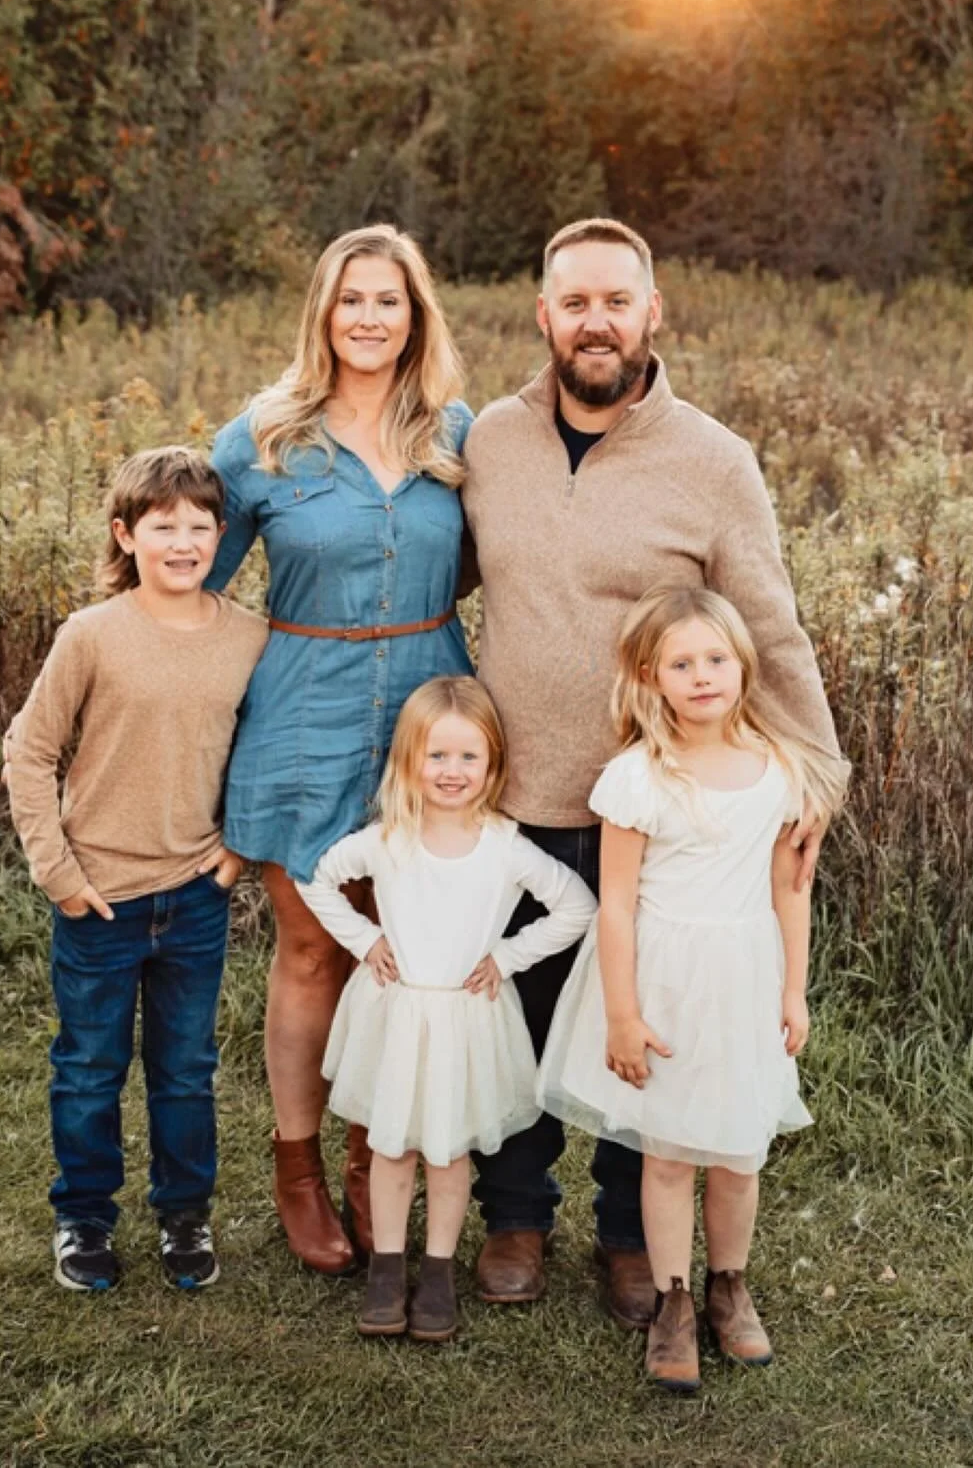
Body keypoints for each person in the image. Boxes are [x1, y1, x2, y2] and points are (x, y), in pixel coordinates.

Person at [461, 216, 846, 1329]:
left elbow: (769, 632)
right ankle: (516, 1213)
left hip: (658, 807)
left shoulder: (716, 462)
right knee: (523, 1015)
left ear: (652, 313)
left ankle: (635, 1237)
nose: (595, 322)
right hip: (511, 791)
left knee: (652, 1021)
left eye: (615, 302)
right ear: (542, 314)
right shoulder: (490, 439)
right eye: (573, 301)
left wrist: (817, 774)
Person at [206, 225, 473, 1274]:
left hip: (426, 719)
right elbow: (194, 583)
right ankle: (299, 1172)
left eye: (389, 301)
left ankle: (380, 1158)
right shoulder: (263, 438)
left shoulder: (453, 434)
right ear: (323, 311)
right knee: (316, 949)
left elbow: (501, 563)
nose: (369, 317)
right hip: (302, 715)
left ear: (417, 317)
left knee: (405, 951)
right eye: (350, 299)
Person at [539, 585, 848, 1390]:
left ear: (743, 667)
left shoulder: (781, 771)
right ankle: (673, 1299)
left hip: (745, 977)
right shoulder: (639, 777)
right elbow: (615, 906)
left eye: (716, 658)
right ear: (650, 675)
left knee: (740, 1152)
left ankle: (729, 1285)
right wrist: (623, 1013)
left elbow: (790, 891)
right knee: (670, 1154)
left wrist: (794, 990)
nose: (702, 675)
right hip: (664, 979)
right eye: (682, 662)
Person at [7, 448, 267, 1293]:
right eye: (164, 526)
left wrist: (235, 855)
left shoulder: (249, 636)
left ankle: (184, 1214)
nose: (184, 541)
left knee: (185, 1067)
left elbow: (263, 754)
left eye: (200, 525)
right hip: (98, 898)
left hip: (196, 891)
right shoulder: (93, 634)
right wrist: (59, 873)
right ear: (128, 534)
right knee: (89, 1064)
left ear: (223, 535)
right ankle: (84, 1217)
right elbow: (30, 750)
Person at [298, 677, 595, 1342]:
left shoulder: (505, 844)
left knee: (449, 1151)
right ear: (409, 759)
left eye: (469, 757)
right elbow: (314, 876)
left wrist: (510, 957)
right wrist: (366, 938)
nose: (452, 772)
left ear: (492, 764)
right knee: (394, 1146)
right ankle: (386, 1266)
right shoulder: (389, 838)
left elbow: (577, 904)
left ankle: (437, 1271)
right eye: (437, 756)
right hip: (398, 1015)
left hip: (466, 1020)